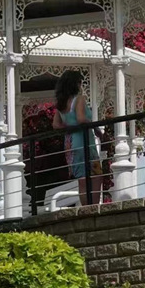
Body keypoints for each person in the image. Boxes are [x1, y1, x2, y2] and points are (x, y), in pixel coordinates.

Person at [52, 70, 101, 205]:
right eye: (80, 82)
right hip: (84, 142)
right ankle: (94, 207)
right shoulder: (79, 99)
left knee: (82, 179)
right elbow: (81, 118)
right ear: (75, 84)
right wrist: (95, 127)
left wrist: (68, 126)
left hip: (70, 143)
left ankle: (86, 209)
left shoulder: (61, 104)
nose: (81, 85)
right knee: (97, 175)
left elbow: (56, 125)